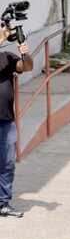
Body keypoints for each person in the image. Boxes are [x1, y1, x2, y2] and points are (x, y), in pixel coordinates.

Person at [0, 30, 31, 218]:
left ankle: (3, 203)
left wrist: (25, 53)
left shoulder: (7, 57)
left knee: (7, 163)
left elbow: (26, 66)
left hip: (5, 120)